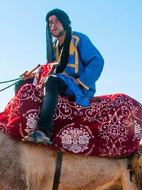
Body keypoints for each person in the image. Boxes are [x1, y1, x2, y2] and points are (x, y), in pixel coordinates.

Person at [22, 9, 104, 145]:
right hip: (59, 81)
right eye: (50, 22)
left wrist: (81, 80)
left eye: (57, 21)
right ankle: (24, 125)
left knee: (52, 81)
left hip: (76, 86)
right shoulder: (55, 47)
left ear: (64, 23)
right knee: (23, 83)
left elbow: (97, 61)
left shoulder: (78, 39)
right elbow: (51, 69)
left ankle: (44, 131)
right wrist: (33, 76)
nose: (53, 25)